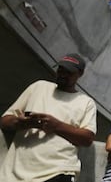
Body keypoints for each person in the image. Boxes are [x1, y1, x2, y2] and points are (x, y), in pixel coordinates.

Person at [0, 53, 97, 182]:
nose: (62, 74)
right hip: (14, 173)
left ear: (80, 74)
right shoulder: (38, 87)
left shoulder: (86, 102)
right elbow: (5, 121)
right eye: (61, 69)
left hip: (58, 172)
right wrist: (22, 122)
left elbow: (87, 138)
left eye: (69, 72)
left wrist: (56, 126)